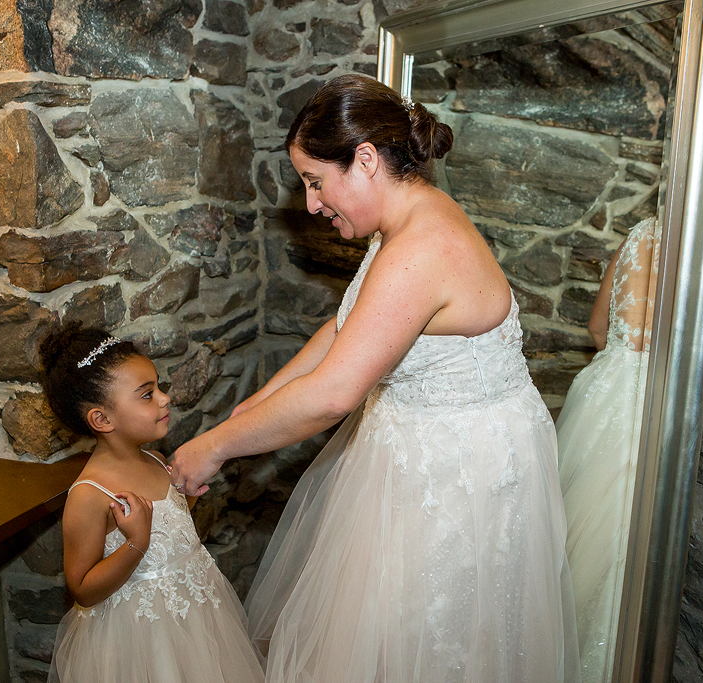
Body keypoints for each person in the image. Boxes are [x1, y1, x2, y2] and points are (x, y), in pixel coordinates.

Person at [173, 74, 579, 682]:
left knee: (425, 644)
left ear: (364, 160)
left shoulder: (421, 247)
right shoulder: (403, 221)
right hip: (417, 449)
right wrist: (256, 405)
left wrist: (211, 448)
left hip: (457, 477)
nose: (311, 205)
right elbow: (347, 327)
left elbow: (336, 391)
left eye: (315, 181)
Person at [38, 322, 264, 683]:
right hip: (139, 636)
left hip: (195, 614)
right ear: (101, 418)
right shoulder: (90, 495)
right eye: (147, 394)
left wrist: (185, 501)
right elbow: (81, 587)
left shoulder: (158, 459)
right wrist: (135, 543)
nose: (165, 398)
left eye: (159, 387)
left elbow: (167, 531)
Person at [556, 217, 658, 683]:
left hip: (602, 391)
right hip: (649, 397)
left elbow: (599, 328)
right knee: (624, 543)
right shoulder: (701, 241)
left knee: (578, 532)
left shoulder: (641, 232)